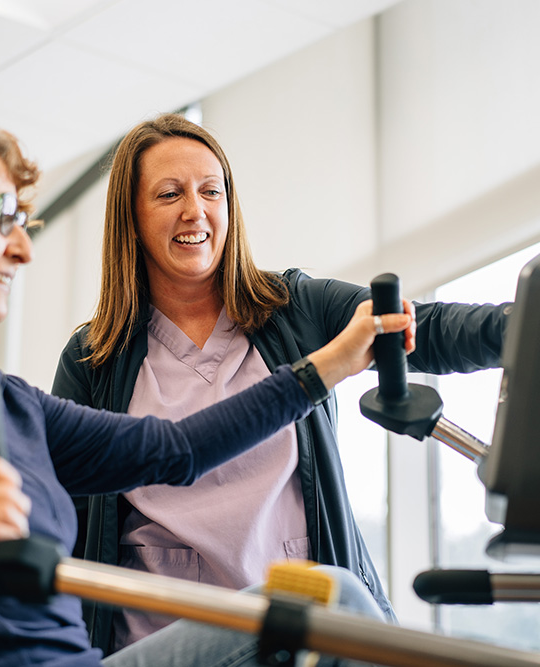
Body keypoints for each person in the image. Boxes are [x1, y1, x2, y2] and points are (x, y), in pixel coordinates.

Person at [0, 96, 417, 667]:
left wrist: (325, 367)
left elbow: (175, 449)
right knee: (340, 603)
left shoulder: (3, 400)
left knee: (332, 598)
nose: (21, 249)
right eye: (1, 219)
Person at [52, 113, 512, 653]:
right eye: (169, 194)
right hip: (172, 646)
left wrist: (527, 324)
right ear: (130, 217)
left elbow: (417, 328)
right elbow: (65, 527)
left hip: (302, 641)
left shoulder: (293, 310)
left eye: (210, 191)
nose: (194, 211)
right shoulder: (94, 360)